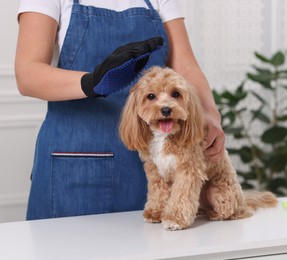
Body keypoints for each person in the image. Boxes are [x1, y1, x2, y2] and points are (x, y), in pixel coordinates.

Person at [15, 0, 225, 220]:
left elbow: (185, 66)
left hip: (149, 162)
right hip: (73, 165)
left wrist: (210, 112)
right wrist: (92, 83)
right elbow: (27, 74)